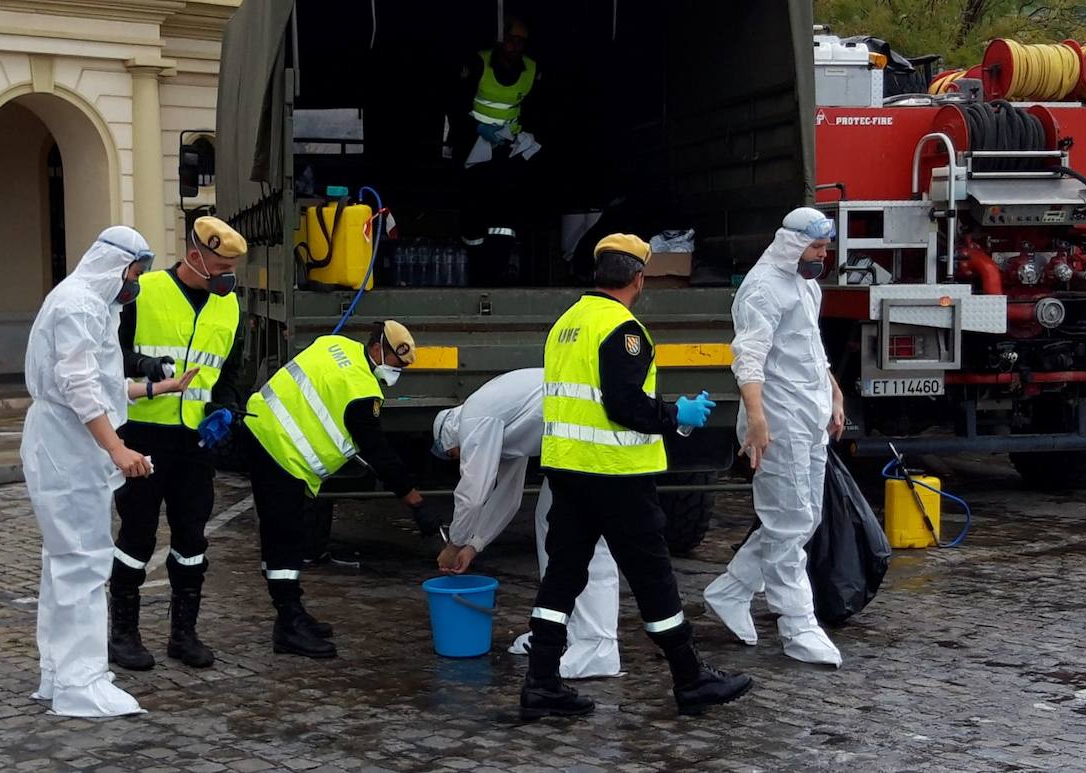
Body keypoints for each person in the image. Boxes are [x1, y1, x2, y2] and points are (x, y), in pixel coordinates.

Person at [521, 233, 752, 719]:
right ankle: (689, 679)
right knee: (653, 579)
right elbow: (624, 404)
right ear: (638, 278)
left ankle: (541, 681)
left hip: (568, 470)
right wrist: (677, 415)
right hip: (617, 474)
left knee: (561, 577)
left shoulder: (567, 323)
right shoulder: (624, 330)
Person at [21, 226, 199, 718]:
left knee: (65, 565)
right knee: (82, 563)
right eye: (134, 273)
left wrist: (158, 390)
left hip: (65, 444)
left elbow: (98, 384)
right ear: (113, 266)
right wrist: (118, 447)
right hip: (67, 448)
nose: (136, 284)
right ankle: (82, 682)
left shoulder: (89, 305)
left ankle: (60, 674)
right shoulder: (79, 305)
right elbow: (77, 385)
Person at [237, 321, 438, 658]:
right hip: (281, 453)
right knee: (285, 541)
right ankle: (287, 625)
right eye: (395, 363)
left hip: (260, 428)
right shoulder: (362, 390)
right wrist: (417, 505)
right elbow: (381, 456)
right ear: (376, 348)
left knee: (286, 536)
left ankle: (293, 612)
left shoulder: (335, 343)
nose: (395, 372)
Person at [703, 207, 847, 668]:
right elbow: (748, 356)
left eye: (825, 248)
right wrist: (757, 417)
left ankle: (731, 590)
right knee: (788, 523)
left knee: (804, 517)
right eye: (817, 247)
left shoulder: (805, 285)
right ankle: (797, 624)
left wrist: (834, 394)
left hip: (809, 415)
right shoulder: (762, 288)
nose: (823, 256)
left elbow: (811, 347)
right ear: (790, 243)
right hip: (779, 419)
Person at [107, 216, 247, 673]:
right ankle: (123, 634)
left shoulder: (230, 308)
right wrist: (145, 365)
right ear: (194, 257)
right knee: (137, 536)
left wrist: (226, 409)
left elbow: (228, 371)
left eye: (232, 267)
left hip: (195, 442)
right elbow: (110, 356)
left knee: (192, 537)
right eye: (221, 265)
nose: (229, 276)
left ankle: (183, 634)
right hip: (143, 434)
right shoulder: (143, 292)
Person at [431, 368, 623, 679]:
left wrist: (454, 544)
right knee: (553, 523)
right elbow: (508, 497)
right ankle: (555, 634)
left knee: (584, 537)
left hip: (591, 434)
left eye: (452, 454)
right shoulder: (500, 421)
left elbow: (473, 493)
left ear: (448, 434)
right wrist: (474, 545)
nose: (457, 457)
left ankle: (597, 648)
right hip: (580, 434)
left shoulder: (475, 418)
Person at [455, 12, 543, 286]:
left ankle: (497, 271)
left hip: (508, 149)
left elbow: (538, 110)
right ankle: (478, 274)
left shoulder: (530, 70)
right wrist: (475, 129)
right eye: (510, 39)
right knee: (474, 210)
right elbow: (455, 104)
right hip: (475, 148)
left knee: (506, 213)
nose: (515, 46)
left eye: (521, 41)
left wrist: (526, 138)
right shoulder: (478, 63)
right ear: (500, 39)